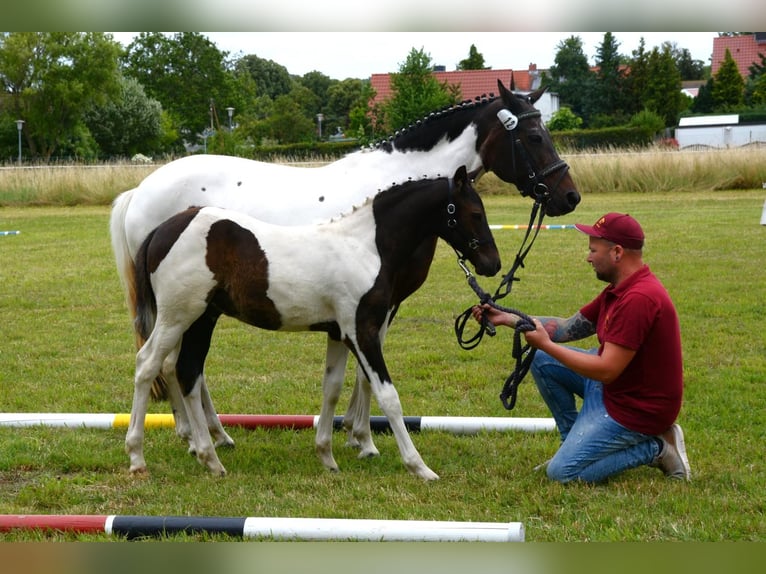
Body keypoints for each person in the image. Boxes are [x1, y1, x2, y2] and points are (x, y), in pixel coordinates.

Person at [473, 212, 690, 484]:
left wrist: (546, 345)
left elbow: (607, 370)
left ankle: (658, 449)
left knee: (563, 474)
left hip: (637, 412)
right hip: (616, 391)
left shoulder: (639, 298)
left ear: (617, 252)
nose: (588, 257)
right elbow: (565, 328)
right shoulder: (620, 288)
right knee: (540, 358)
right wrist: (507, 318)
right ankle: (571, 445)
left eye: (592, 249)